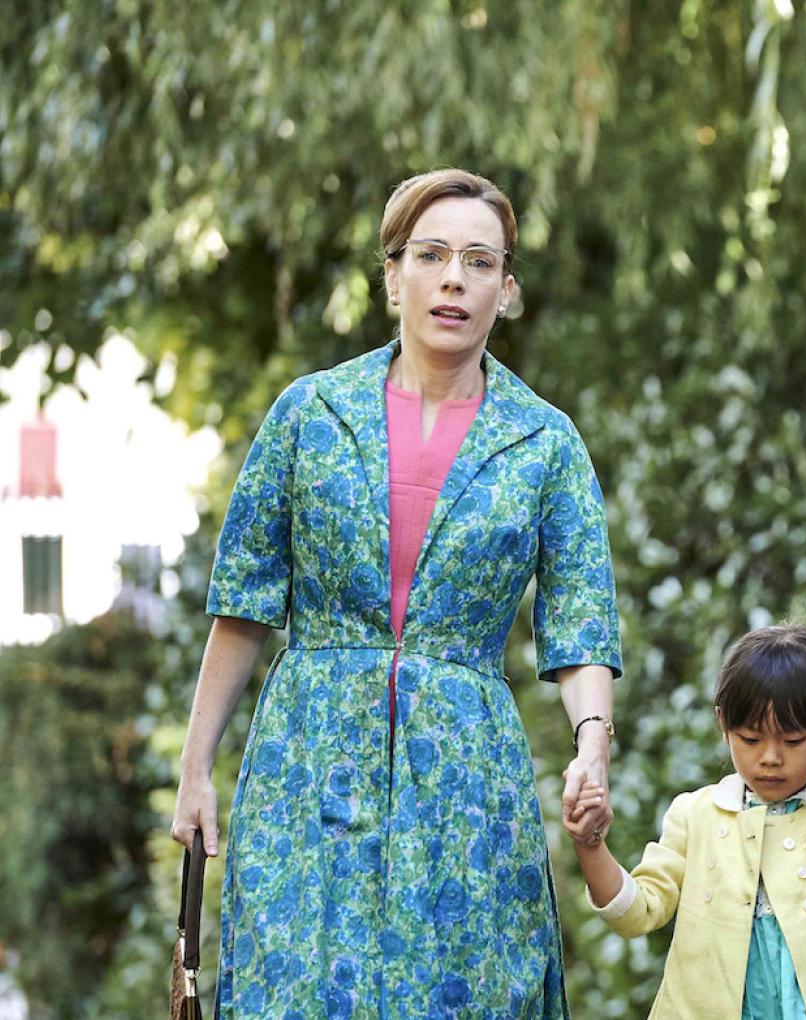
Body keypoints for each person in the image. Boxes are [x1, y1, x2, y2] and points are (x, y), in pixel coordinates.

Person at [169, 168, 622, 1016]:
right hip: (309, 762)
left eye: (480, 261)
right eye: (433, 254)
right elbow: (245, 605)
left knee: (466, 990)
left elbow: (582, 623)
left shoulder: (546, 444)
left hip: (466, 772)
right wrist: (196, 768)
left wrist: (591, 743)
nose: (455, 278)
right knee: (299, 990)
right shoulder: (308, 415)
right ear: (392, 275)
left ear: (507, 289)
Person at [568, 624, 806, 1019]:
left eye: (793, 741)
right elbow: (637, 912)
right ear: (723, 725)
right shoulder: (695, 815)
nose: (770, 758)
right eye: (750, 738)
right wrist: (590, 846)